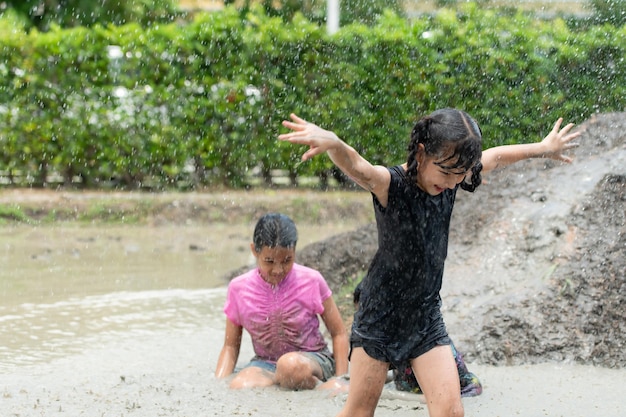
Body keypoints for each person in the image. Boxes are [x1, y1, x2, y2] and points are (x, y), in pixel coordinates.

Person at [278, 109, 580, 417]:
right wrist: (335, 144)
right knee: (359, 412)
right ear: (421, 153)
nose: (452, 183)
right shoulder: (391, 184)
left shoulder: (452, 179)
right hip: (380, 315)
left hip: (425, 316)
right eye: (446, 173)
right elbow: (361, 168)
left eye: (460, 175)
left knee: (451, 412)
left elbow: (496, 157)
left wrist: (543, 148)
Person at [215, 213, 349, 390]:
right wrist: (218, 384)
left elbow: (338, 333)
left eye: (287, 260)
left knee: (290, 366)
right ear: (254, 250)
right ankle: (289, 385)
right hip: (265, 364)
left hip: (313, 360)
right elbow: (230, 346)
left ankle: (319, 384)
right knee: (241, 385)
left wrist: (342, 378)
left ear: (294, 251)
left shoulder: (312, 280)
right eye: (269, 261)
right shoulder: (238, 288)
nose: (278, 270)